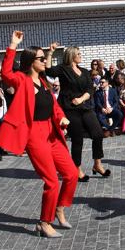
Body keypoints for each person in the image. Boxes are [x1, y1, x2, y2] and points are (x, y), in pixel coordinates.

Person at [0, 31, 78, 238]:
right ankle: (44, 223)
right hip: (34, 135)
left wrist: (62, 117)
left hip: (52, 133)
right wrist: (13, 44)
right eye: (41, 58)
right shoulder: (21, 80)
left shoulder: (44, 81)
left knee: (72, 174)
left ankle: (59, 208)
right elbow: (5, 73)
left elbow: (53, 106)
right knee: (51, 181)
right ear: (31, 61)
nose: (45, 61)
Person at [45, 43, 110, 181]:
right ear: (72, 56)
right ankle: (77, 169)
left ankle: (97, 164)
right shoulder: (63, 69)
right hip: (70, 108)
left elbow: (90, 89)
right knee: (77, 139)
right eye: (78, 54)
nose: (81, 56)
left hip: (84, 106)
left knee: (98, 134)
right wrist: (50, 53)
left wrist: (81, 99)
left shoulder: (85, 71)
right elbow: (49, 71)